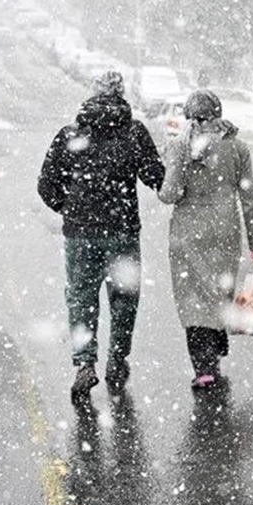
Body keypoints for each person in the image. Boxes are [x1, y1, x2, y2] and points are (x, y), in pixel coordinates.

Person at [38, 71, 165, 403]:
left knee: (81, 298)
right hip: (122, 231)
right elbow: (156, 177)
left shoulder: (71, 134)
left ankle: (84, 364)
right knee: (124, 299)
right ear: (122, 96)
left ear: (92, 95)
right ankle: (117, 359)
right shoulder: (134, 133)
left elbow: (46, 184)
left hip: (81, 234)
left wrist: (68, 207)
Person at [157, 90, 253, 391]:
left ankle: (204, 368)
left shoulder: (180, 146)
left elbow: (170, 194)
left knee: (193, 298)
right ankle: (215, 353)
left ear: (189, 114)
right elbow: (249, 196)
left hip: (189, 230)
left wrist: (162, 181)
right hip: (225, 228)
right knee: (219, 291)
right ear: (218, 112)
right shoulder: (237, 147)